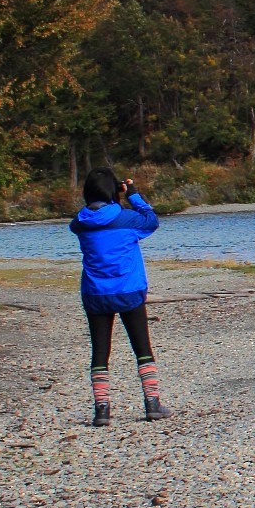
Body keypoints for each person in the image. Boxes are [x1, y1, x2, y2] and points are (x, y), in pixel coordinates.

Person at [69, 167, 171, 426]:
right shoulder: (127, 220)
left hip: (95, 293)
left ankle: (102, 409)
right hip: (129, 290)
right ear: (114, 190)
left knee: (100, 351)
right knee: (142, 349)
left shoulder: (79, 224)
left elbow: (82, 221)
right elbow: (151, 220)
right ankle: (152, 403)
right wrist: (132, 194)